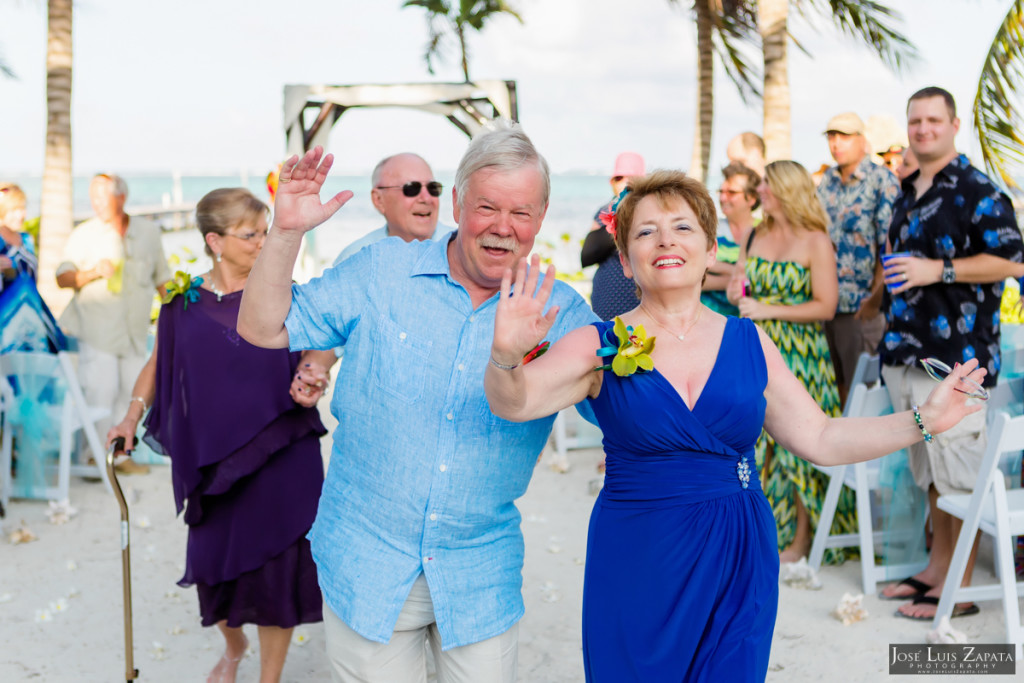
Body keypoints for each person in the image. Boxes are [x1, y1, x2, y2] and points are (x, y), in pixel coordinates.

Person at [482, 169, 985, 682]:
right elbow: (515, 403)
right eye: (645, 231)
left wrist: (925, 420)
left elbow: (821, 438)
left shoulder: (750, 343)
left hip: (738, 553)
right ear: (627, 262)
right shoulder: (600, 344)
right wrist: (505, 356)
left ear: (710, 250)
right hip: (639, 558)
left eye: (682, 227)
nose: (665, 241)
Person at [238, 123, 598, 683]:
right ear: (456, 201)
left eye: (522, 213)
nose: (503, 228)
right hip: (368, 560)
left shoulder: (565, 313)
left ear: (543, 215)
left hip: (479, 573)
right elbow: (262, 328)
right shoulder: (380, 271)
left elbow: (624, 409)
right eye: (486, 208)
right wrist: (285, 233)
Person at [106, 188, 329, 683]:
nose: (263, 242)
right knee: (214, 570)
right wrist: (130, 417)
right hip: (214, 460)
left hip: (282, 450)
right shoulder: (182, 301)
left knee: (278, 573)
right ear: (215, 240)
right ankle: (234, 646)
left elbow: (321, 346)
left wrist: (315, 372)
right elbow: (159, 361)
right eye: (251, 234)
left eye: (267, 232)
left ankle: (268, 679)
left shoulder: (284, 293)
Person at [877, 86, 1024, 620]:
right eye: (914, 120)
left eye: (933, 120)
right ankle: (937, 570)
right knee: (932, 473)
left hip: (956, 356)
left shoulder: (978, 189)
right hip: (906, 348)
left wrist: (936, 271)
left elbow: (1012, 261)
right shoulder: (908, 187)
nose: (922, 129)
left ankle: (958, 588)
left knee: (958, 473)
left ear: (954, 124)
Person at [727, 160, 854, 564]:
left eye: (766, 183)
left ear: (785, 189)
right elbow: (741, 286)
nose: (760, 189)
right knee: (757, 443)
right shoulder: (755, 235)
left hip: (802, 355)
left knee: (795, 446)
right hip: (755, 349)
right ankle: (763, 531)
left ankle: (800, 538)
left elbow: (826, 306)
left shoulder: (815, 240)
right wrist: (737, 293)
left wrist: (767, 309)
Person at [56, 174, 170, 474]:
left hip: (133, 332)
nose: (95, 204)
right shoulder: (84, 234)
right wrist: (92, 272)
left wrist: (185, 309)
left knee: (131, 394)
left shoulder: (147, 232)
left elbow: (162, 279)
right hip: (97, 331)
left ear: (121, 197)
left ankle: (120, 456)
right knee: (99, 393)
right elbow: (62, 277)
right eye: (91, 198)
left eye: (101, 198)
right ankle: (93, 457)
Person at [816, 112, 900, 403]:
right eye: (831, 136)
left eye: (844, 136)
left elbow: (888, 247)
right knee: (834, 393)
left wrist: (874, 302)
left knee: (861, 397)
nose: (836, 143)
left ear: (862, 141)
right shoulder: (826, 181)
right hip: (823, 305)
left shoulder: (882, 181)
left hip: (860, 308)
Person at [333, 152, 446, 265]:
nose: (426, 198)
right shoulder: (353, 261)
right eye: (411, 189)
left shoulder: (460, 251)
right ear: (379, 200)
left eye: (433, 188)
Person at [580, 152, 645, 320]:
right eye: (619, 178)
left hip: (640, 292)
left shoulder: (651, 212)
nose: (625, 182)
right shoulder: (603, 211)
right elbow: (587, 253)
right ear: (612, 183)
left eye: (632, 177)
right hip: (607, 291)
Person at [701, 162, 759, 316]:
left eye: (731, 192)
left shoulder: (765, 232)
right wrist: (735, 273)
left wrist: (717, 269)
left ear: (752, 198)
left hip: (752, 321)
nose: (722, 197)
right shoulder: (708, 229)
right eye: (721, 191)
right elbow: (692, 278)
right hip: (710, 320)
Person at [0, 183, 38, 287]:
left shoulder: (27, 239)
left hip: (29, 301)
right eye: (13, 210)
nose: (20, 215)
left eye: (22, 209)